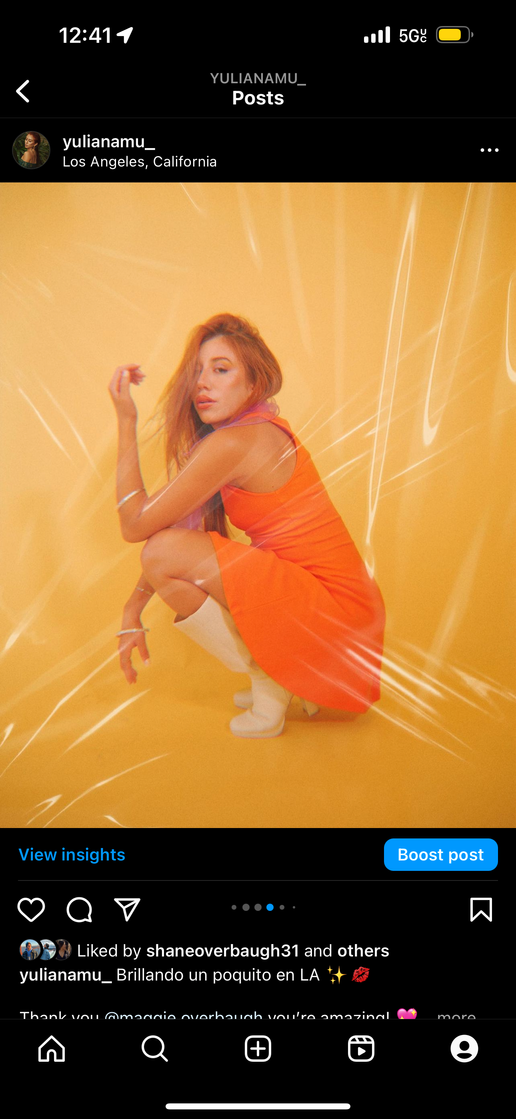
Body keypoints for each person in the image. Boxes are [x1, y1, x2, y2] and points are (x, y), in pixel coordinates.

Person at [109, 313, 385, 738]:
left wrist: (126, 422)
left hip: (337, 614)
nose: (202, 383)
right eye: (197, 371)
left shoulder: (236, 443)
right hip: (342, 608)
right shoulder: (253, 432)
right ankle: (275, 673)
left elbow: (135, 525)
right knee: (166, 549)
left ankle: (270, 678)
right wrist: (132, 608)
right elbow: (179, 540)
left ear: (254, 383)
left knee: (160, 550)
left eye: (221, 370)